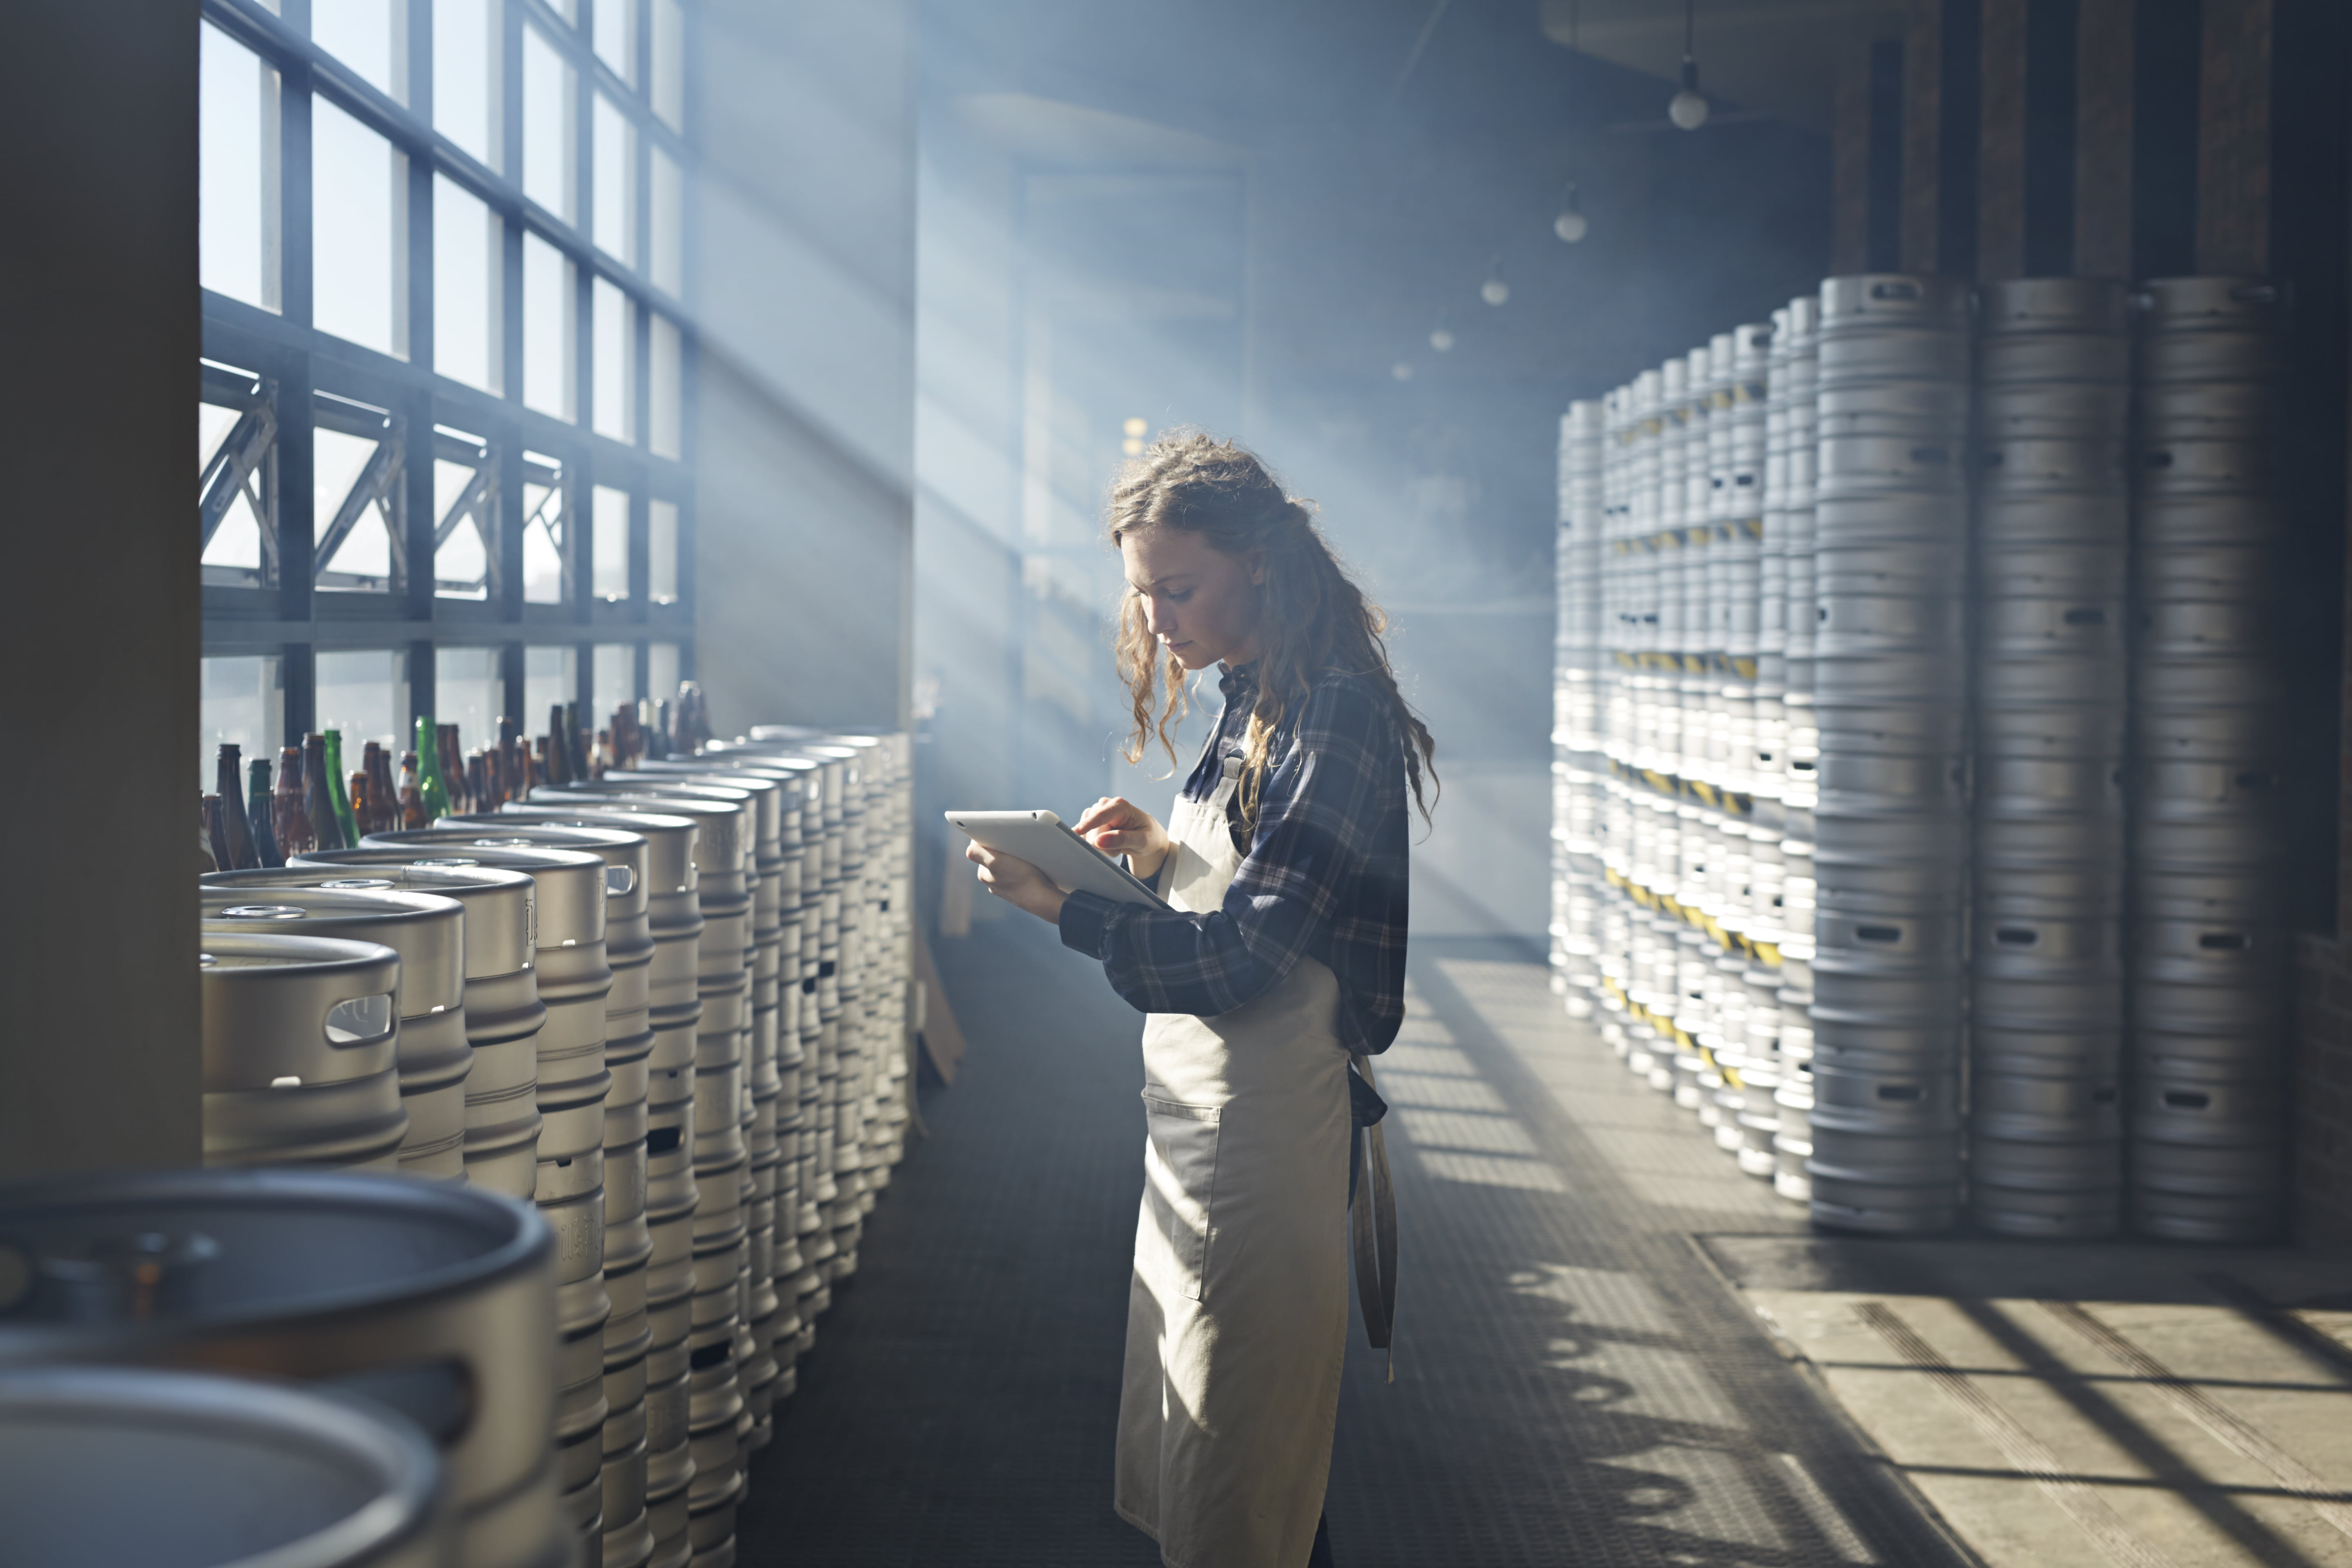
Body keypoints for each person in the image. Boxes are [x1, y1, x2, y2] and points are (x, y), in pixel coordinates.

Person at [967, 430, 1437, 1568]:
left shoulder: (1333, 714)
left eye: (1180, 588)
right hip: (1204, 1117)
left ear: (1262, 562)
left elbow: (1245, 961)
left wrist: (1063, 909)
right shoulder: (1255, 693)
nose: (1160, 620)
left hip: (1265, 1126)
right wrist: (1160, 857)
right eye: (1144, 595)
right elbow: (1259, 886)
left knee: (1244, 1464)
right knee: (1234, 1452)